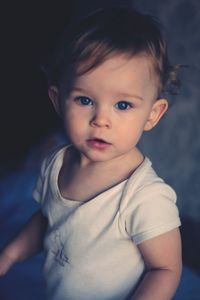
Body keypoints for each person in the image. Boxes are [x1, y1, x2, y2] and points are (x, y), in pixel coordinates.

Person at [0, 6, 182, 300]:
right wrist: (9, 254)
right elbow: (48, 218)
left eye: (122, 105)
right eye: (85, 100)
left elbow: (165, 269)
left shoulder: (144, 197)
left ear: (152, 114)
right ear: (58, 101)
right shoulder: (56, 164)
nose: (101, 120)